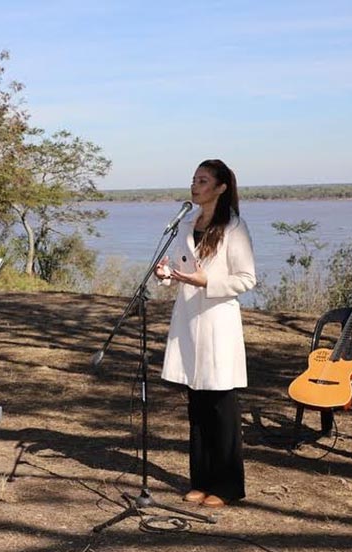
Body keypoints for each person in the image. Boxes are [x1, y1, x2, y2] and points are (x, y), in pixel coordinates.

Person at [154, 159, 256, 509]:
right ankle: (201, 480)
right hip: (188, 322)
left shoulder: (234, 228)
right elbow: (182, 266)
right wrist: (166, 273)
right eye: (193, 179)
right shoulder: (186, 222)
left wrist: (207, 281)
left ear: (221, 188)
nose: (195, 186)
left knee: (221, 407)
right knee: (197, 406)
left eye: (203, 180)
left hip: (217, 323)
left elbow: (246, 279)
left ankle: (227, 486)